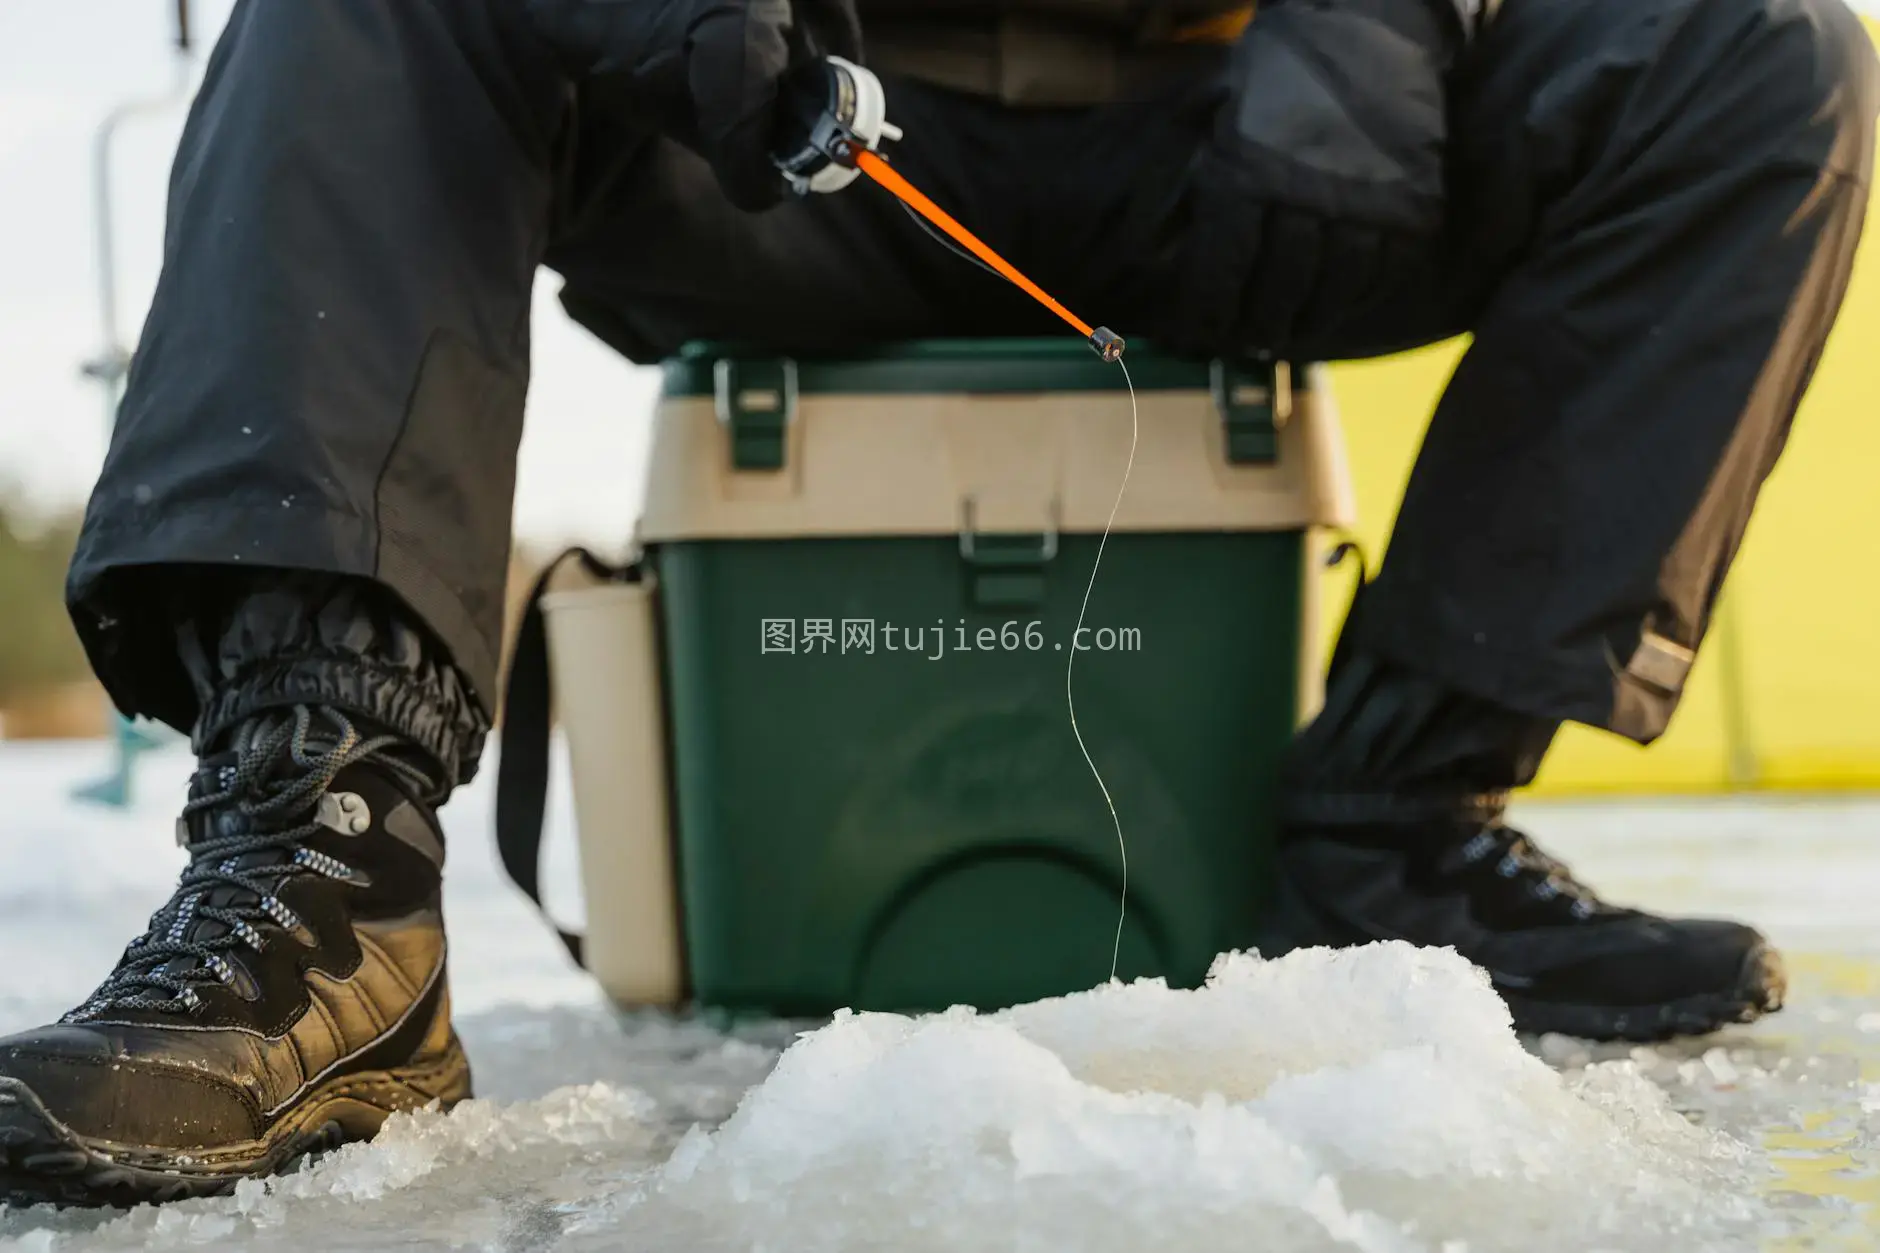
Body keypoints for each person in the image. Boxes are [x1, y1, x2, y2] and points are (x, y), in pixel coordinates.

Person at [0, 0, 1872, 1207]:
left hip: (1267, 132)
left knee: (1768, 59)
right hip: (793, 128)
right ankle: (329, 885)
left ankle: (1402, 808)